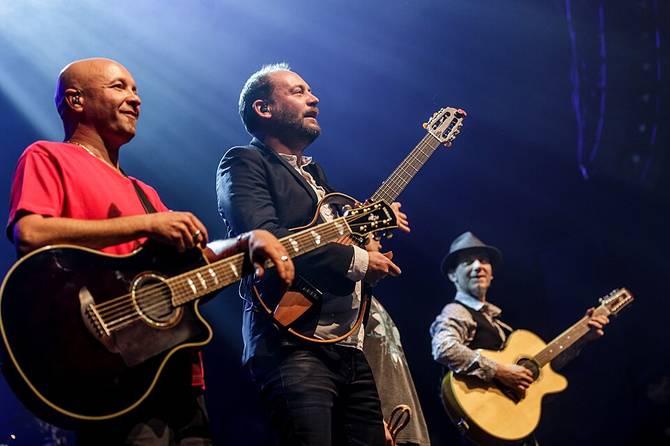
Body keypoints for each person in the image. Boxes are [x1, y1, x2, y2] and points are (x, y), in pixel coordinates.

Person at [7, 57, 294, 446]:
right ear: (76, 100)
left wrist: (246, 242)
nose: (135, 98)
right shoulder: (47, 156)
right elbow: (30, 232)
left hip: (176, 374)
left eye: (136, 89)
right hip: (109, 374)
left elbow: (194, 265)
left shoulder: (145, 193)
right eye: (119, 87)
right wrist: (146, 224)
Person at [216, 62, 410, 446]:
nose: (314, 99)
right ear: (263, 108)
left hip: (348, 348)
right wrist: (359, 261)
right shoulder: (244, 161)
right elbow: (269, 240)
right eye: (298, 91)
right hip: (291, 345)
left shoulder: (316, 176)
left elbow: (334, 244)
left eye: (310, 91)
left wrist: (367, 250)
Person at [429, 231, 609, 445]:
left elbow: (546, 369)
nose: (478, 266)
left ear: (491, 273)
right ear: (453, 275)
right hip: (485, 424)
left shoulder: (501, 325)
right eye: (468, 262)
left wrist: (583, 337)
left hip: (513, 427)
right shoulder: (457, 311)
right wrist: (500, 371)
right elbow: (444, 347)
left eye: (484, 261)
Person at [363, 240, 431, 446]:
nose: (380, 240)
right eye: (374, 235)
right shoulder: (347, 303)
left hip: (405, 424)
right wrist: (372, 418)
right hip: (380, 424)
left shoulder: (372, 301)